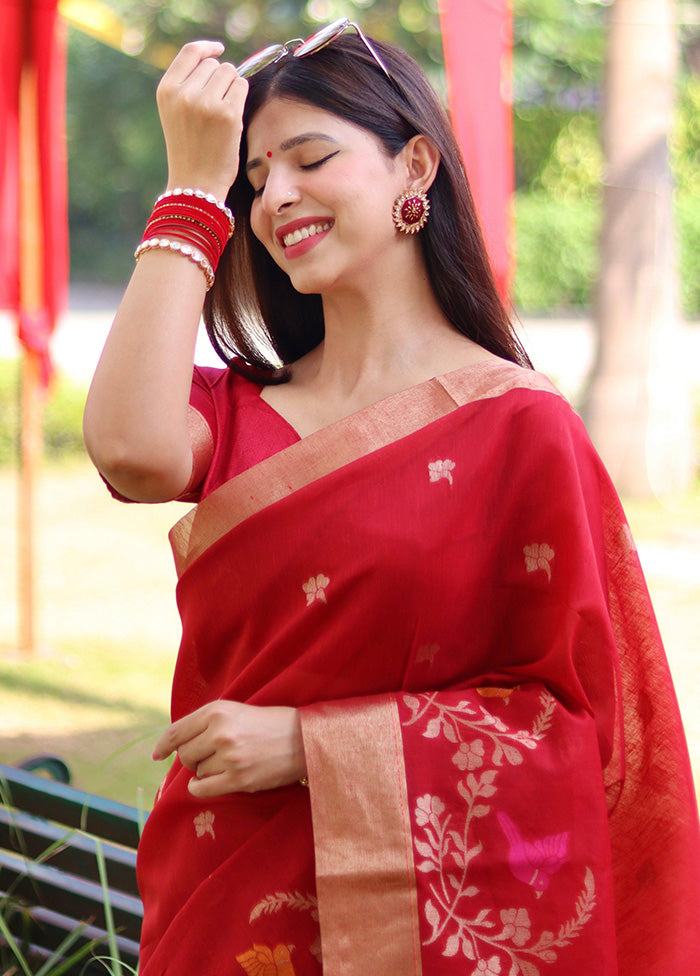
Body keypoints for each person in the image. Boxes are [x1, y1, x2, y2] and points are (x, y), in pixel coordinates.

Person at [83, 21, 700, 976]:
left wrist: (311, 746)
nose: (276, 194)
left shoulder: (517, 428)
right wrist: (193, 190)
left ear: (415, 164)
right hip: (223, 912)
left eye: (311, 157)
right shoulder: (235, 414)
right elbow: (128, 450)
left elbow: (580, 735)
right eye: (254, 179)